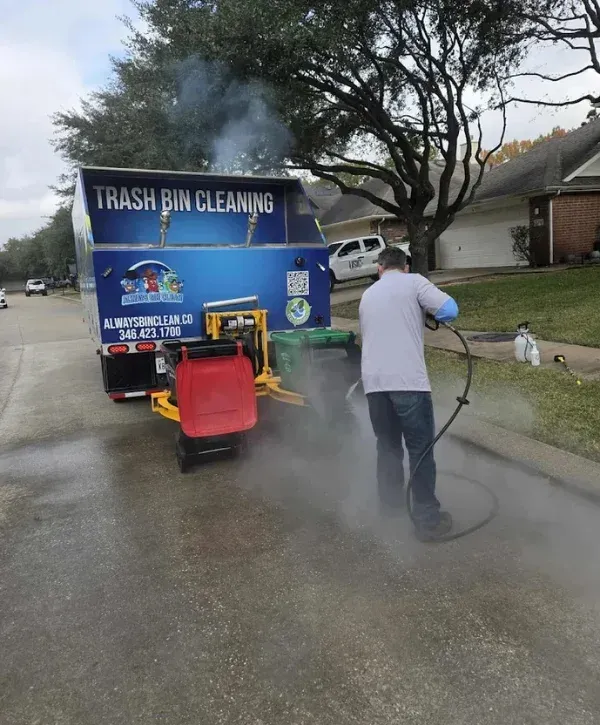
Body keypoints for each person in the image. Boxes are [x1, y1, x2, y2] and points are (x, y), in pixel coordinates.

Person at [358, 246, 459, 541]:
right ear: (404, 267)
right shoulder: (414, 281)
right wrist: (427, 310)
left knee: (388, 447)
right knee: (420, 450)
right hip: (408, 383)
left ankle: (390, 509)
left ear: (379, 268)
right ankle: (427, 520)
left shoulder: (368, 295)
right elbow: (450, 310)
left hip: (375, 385)